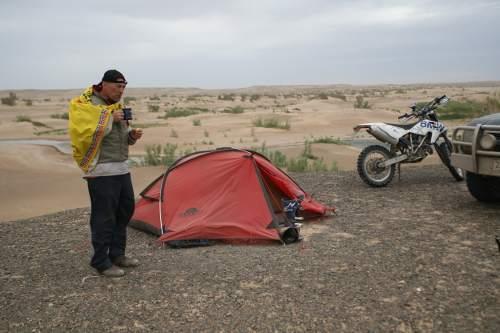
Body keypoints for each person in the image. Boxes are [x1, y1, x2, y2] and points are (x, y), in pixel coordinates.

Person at [68, 69, 143, 277]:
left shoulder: (114, 107)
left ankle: (117, 254)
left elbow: (115, 138)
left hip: (121, 168)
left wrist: (131, 136)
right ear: (104, 84)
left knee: (124, 210)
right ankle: (101, 261)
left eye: (123, 87)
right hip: (101, 171)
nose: (121, 91)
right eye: (117, 87)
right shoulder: (87, 106)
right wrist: (110, 118)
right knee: (104, 217)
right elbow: (83, 133)